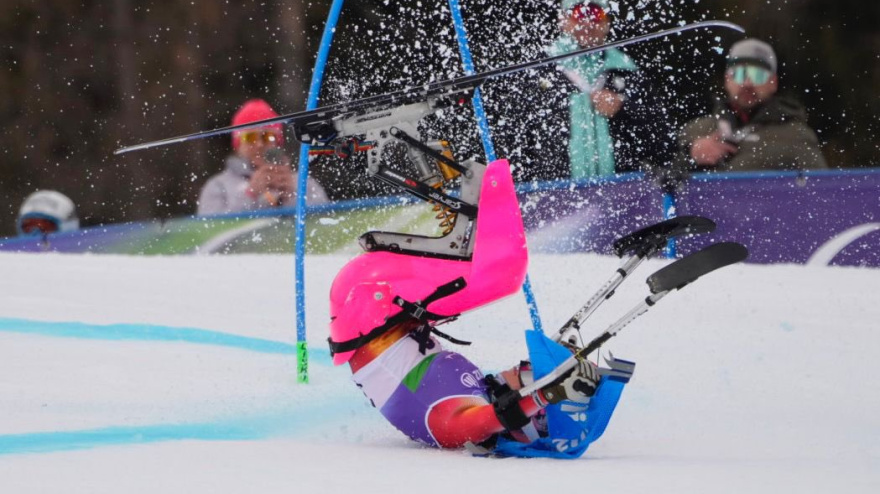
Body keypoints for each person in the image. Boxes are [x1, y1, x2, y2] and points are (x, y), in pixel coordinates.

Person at [327, 158, 634, 457]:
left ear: (534, 414)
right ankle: (434, 168)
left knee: (499, 273)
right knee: (491, 274)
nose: (523, 366)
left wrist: (547, 393)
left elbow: (494, 419)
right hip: (392, 313)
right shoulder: (479, 392)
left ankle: (421, 163)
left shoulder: (453, 425)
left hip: (370, 306)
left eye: (531, 373)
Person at [547, 0, 673, 179]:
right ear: (563, 20)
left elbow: (663, 142)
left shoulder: (626, 70)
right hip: (550, 193)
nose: (588, 22)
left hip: (621, 191)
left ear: (607, 23)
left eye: (596, 14)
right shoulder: (542, 69)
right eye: (579, 13)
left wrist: (623, 108)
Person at [676, 38, 827, 172]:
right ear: (727, 80)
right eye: (740, 74)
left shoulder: (795, 137)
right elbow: (661, 182)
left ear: (773, 83)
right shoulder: (698, 131)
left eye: (758, 75)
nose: (748, 83)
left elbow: (823, 194)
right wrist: (691, 155)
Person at [197, 99, 328, 215]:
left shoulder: (304, 183)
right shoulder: (218, 186)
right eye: (250, 137)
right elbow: (210, 233)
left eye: (267, 136)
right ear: (238, 144)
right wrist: (250, 194)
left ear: (277, 141)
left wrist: (293, 195)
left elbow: (326, 226)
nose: (259, 144)